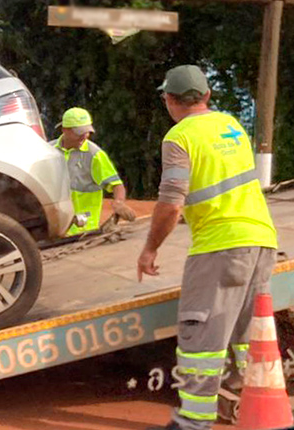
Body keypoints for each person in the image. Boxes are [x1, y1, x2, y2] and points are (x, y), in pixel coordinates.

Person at [138, 65, 278, 429]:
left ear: (169, 100)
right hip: (262, 240)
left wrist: (150, 248)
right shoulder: (232, 126)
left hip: (220, 247)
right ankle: (251, 405)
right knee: (248, 335)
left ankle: (195, 421)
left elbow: (171, 201)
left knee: (201, 337)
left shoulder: (179, 137)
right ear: (207, 96)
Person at [53, 107, 136, 235]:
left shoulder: (95, 155)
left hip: (83, 229)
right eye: (79, 132)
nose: (84, 136)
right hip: (55, 227)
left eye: (87, 132)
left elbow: (116, 185)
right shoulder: (48, 151)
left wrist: (119, 203)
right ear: (65, 130)